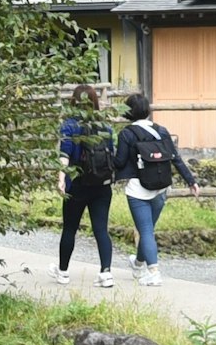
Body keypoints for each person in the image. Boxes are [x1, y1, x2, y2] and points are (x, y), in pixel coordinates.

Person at [112, 92, 197, 288]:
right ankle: (138, 263)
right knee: (147, 230)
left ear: (128, 111)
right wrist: (191, 181)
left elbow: (119, 161)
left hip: (137, 190)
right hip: (161, 187)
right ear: (147, 110)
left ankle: (154, 272)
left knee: (146, 231)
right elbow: (175, 158)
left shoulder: (126, 134)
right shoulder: (162, 131)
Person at [55, 85, 118, 286]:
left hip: (77, 184)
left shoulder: (69, 125)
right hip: (101, 185)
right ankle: (106, 273)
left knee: (70, 228)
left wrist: (61, 179)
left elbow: (64, 155)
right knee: (101, 229)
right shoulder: (105, 126)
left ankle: (63, 272)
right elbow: (111, 154)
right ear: (95, 101)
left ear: (74, 101)